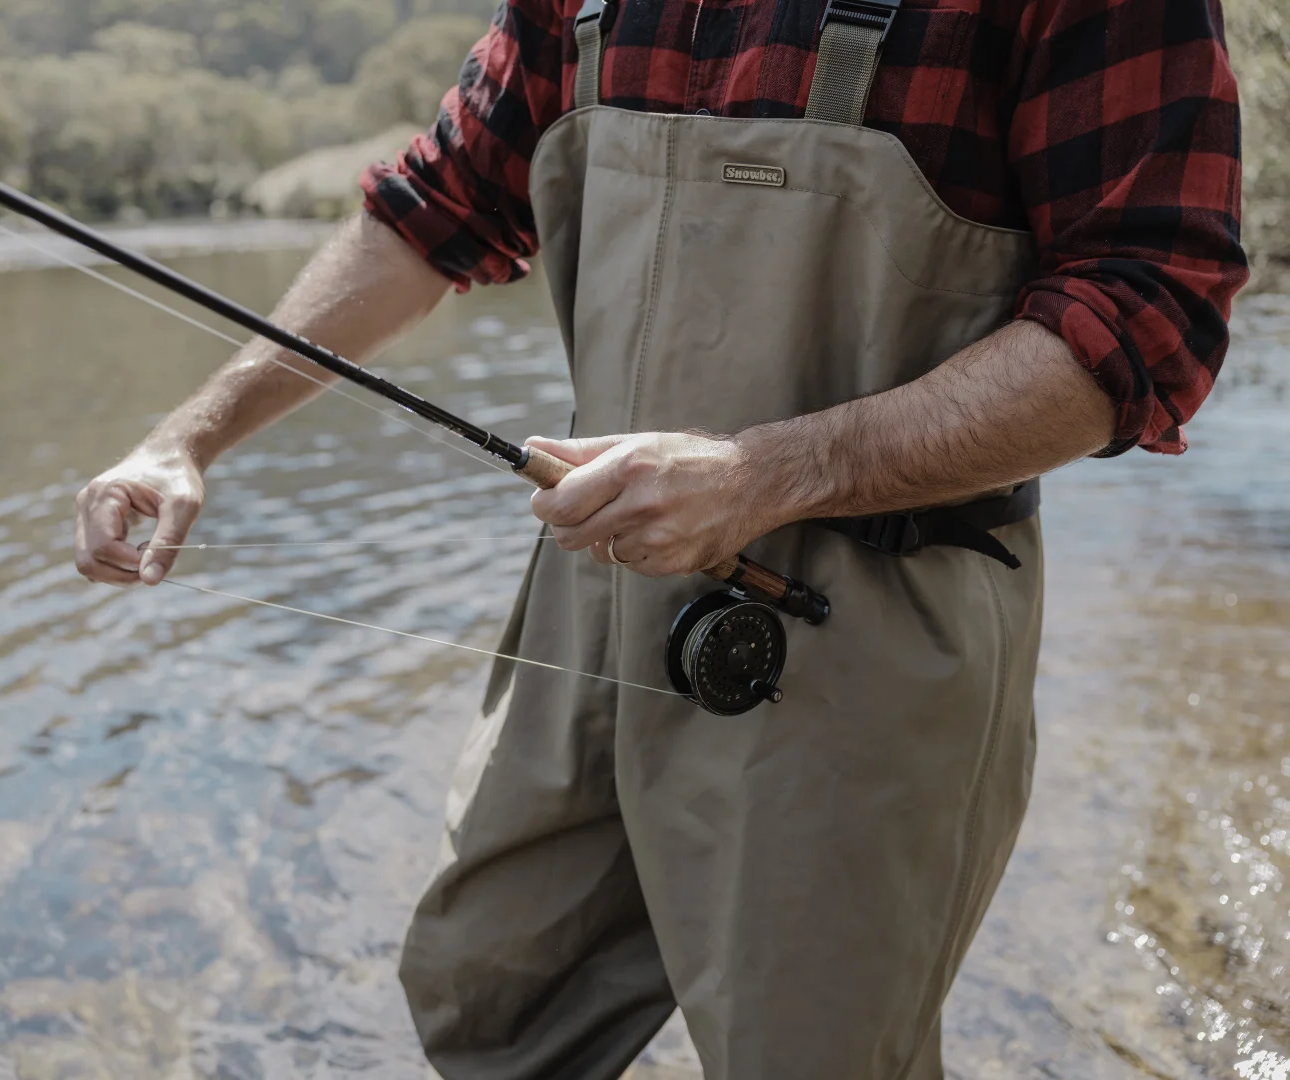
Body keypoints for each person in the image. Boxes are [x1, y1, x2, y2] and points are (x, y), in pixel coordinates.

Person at [74, 0, 1247, 1074]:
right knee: (485, 997)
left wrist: (764, 475)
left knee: (810, 1055)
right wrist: (190, 434)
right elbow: (429, 212)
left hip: (872, 616)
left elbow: (1149, 314)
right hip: (594, 588)